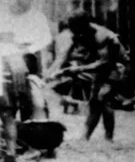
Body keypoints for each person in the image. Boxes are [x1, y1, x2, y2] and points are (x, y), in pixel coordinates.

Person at [46, 11, 127, 142]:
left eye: (74, 28)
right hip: (102, 66)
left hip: (117, 66)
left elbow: (105, 62)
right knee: (94, 102)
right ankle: (86, 136)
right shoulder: (78, 32)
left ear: (83, 24)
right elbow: (65, 54)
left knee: (104, 97)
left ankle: (108, 137)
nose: (72, 31)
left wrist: (78, 69)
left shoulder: (101, 35)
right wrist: (52, 72)